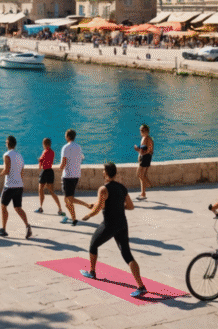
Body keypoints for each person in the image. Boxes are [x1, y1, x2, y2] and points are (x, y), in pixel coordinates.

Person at [80, 162, 148, 298]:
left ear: (106, 173)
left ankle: (92, 272)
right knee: (127, 255)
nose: (102, 172)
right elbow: (130, 206)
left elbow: (99, 208)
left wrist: (88, 215)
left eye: (103, 171)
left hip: (109, 224)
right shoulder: (122, 187)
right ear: (115, 173)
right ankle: (141, 287)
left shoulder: (103, 189)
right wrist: (117, 206)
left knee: (93, 245)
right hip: (122, 224)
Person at [0, 135, 32, 239]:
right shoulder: (20, 156)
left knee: (3, 206)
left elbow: (7, 170)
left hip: (9, 186)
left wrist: (0, 174)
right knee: (18, 208)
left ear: (8, 143)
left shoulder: (7, 155)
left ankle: (3, 229)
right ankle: (27, 225)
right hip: (19, 185)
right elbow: (22, 172)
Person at [59, 129, 91, 226]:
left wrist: (61, 167)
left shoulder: (66, 147)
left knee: (69, 199)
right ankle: (71, 218)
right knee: (66, 200)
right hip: (76, 175)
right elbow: (80, 159)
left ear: (68, 136)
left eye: (65, 135)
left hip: (68, 176)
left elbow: (64, 162)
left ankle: (86, 206)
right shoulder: (78, 147)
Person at [35, 138, 63, 216]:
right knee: (52, 191)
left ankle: (41, 207)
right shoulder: (52, 152)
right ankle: (60, 208)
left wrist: (39, 161)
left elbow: (41, 162)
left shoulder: (44, 152)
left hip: (44, 172)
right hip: (50, 172)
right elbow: (49, 160)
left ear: (44, 144)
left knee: (40, 189)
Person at [135, 124, 154, 199]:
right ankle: (143, 193)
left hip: (145, 158)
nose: (141, 132)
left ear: (147, 131)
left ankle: (148, 186)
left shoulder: (148, 139)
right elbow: (143, 150)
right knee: (142, 175)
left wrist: (138, 150)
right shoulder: (144, 138)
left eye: (143, 130)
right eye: (140, 130)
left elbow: (149, 151)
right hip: (143, 158)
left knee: (139, 174)